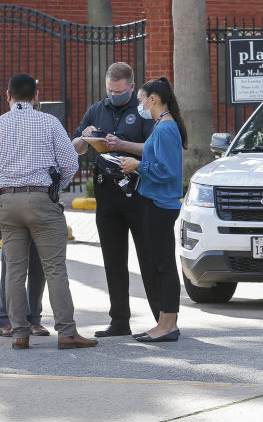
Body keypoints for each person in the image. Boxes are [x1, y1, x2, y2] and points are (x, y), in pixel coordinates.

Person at [0, 73, 96, 349]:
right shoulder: (49, 122)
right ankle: (66, 332)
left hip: (7, 202)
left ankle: (19, 333)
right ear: (36, 97)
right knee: (54, 269)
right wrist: (55, 188)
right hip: (41, 199)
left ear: (8, 96)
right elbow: (69, 163)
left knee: (15, 271)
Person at [72, 62, 158, 337]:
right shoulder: (97, 109)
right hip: (107, 192)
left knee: (148, 256)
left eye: (119, 91)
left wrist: (121, 144)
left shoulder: (143, 111)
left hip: (138, 191)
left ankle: (162, 318)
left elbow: (154, 148)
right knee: (113, 258)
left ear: (132, 87)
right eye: (110, 91)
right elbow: (75, 147)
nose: (114, 95)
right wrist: (85, 139)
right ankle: (119, 319)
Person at [119, 78, 185, 342]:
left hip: (161, 204)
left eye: (140, 99)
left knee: (164, 266)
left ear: (153, 99)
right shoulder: (161, 125)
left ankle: (168, 325)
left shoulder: (166, 128)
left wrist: (138, 166)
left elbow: (167, 171)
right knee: (159, 265)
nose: (139, 104)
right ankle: (163, 322)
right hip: (153, 202)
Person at [0, 242, 48, 338]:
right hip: (13, 227)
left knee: (39, 269)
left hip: (41, 228)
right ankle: (5, 319)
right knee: (11, 271)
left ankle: (33, 319)